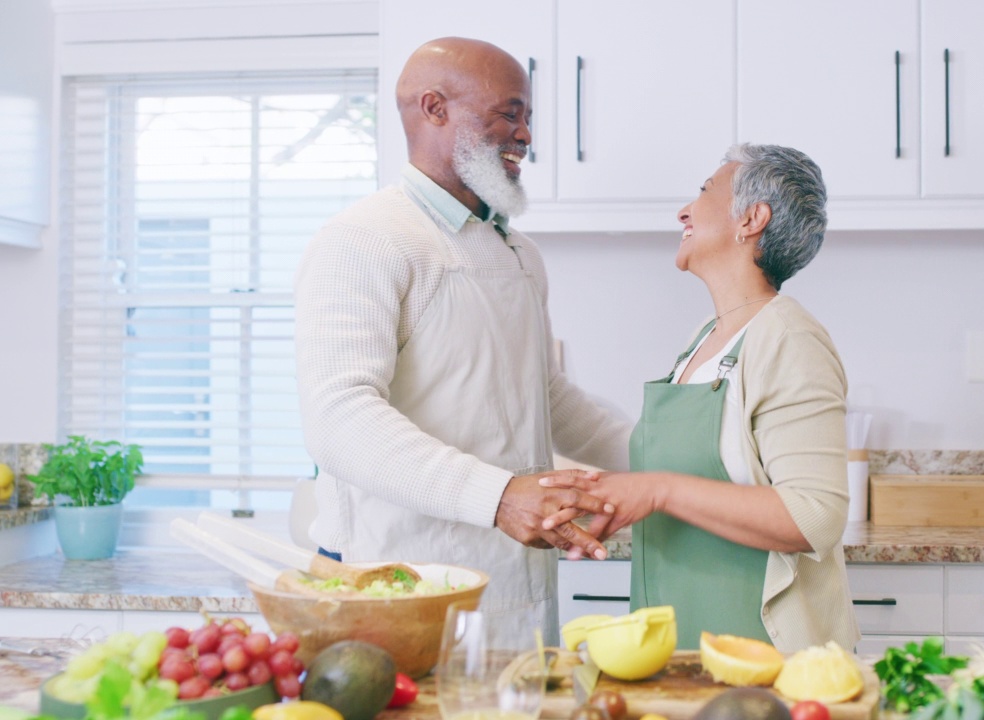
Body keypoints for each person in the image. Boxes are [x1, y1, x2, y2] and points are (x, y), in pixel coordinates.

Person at [292, 37, 630, 629]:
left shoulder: (518, 252)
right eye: (509, 113)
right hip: (399, 584)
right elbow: (338, 418)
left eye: (528, 117)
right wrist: (500, 497)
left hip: (516, 586)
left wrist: (667, 462)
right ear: (434, 108)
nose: (526, 135)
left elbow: (545, 395)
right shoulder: (364, 239)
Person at [541, 144, 858, 652]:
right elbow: (671, 463)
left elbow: (814, 515)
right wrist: (594, 491)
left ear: (751, 219)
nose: (684, 210)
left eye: (705, 191)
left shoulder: (788, 336)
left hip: (760, 651)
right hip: (682, 634)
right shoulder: (707, 338)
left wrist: (657, 490)